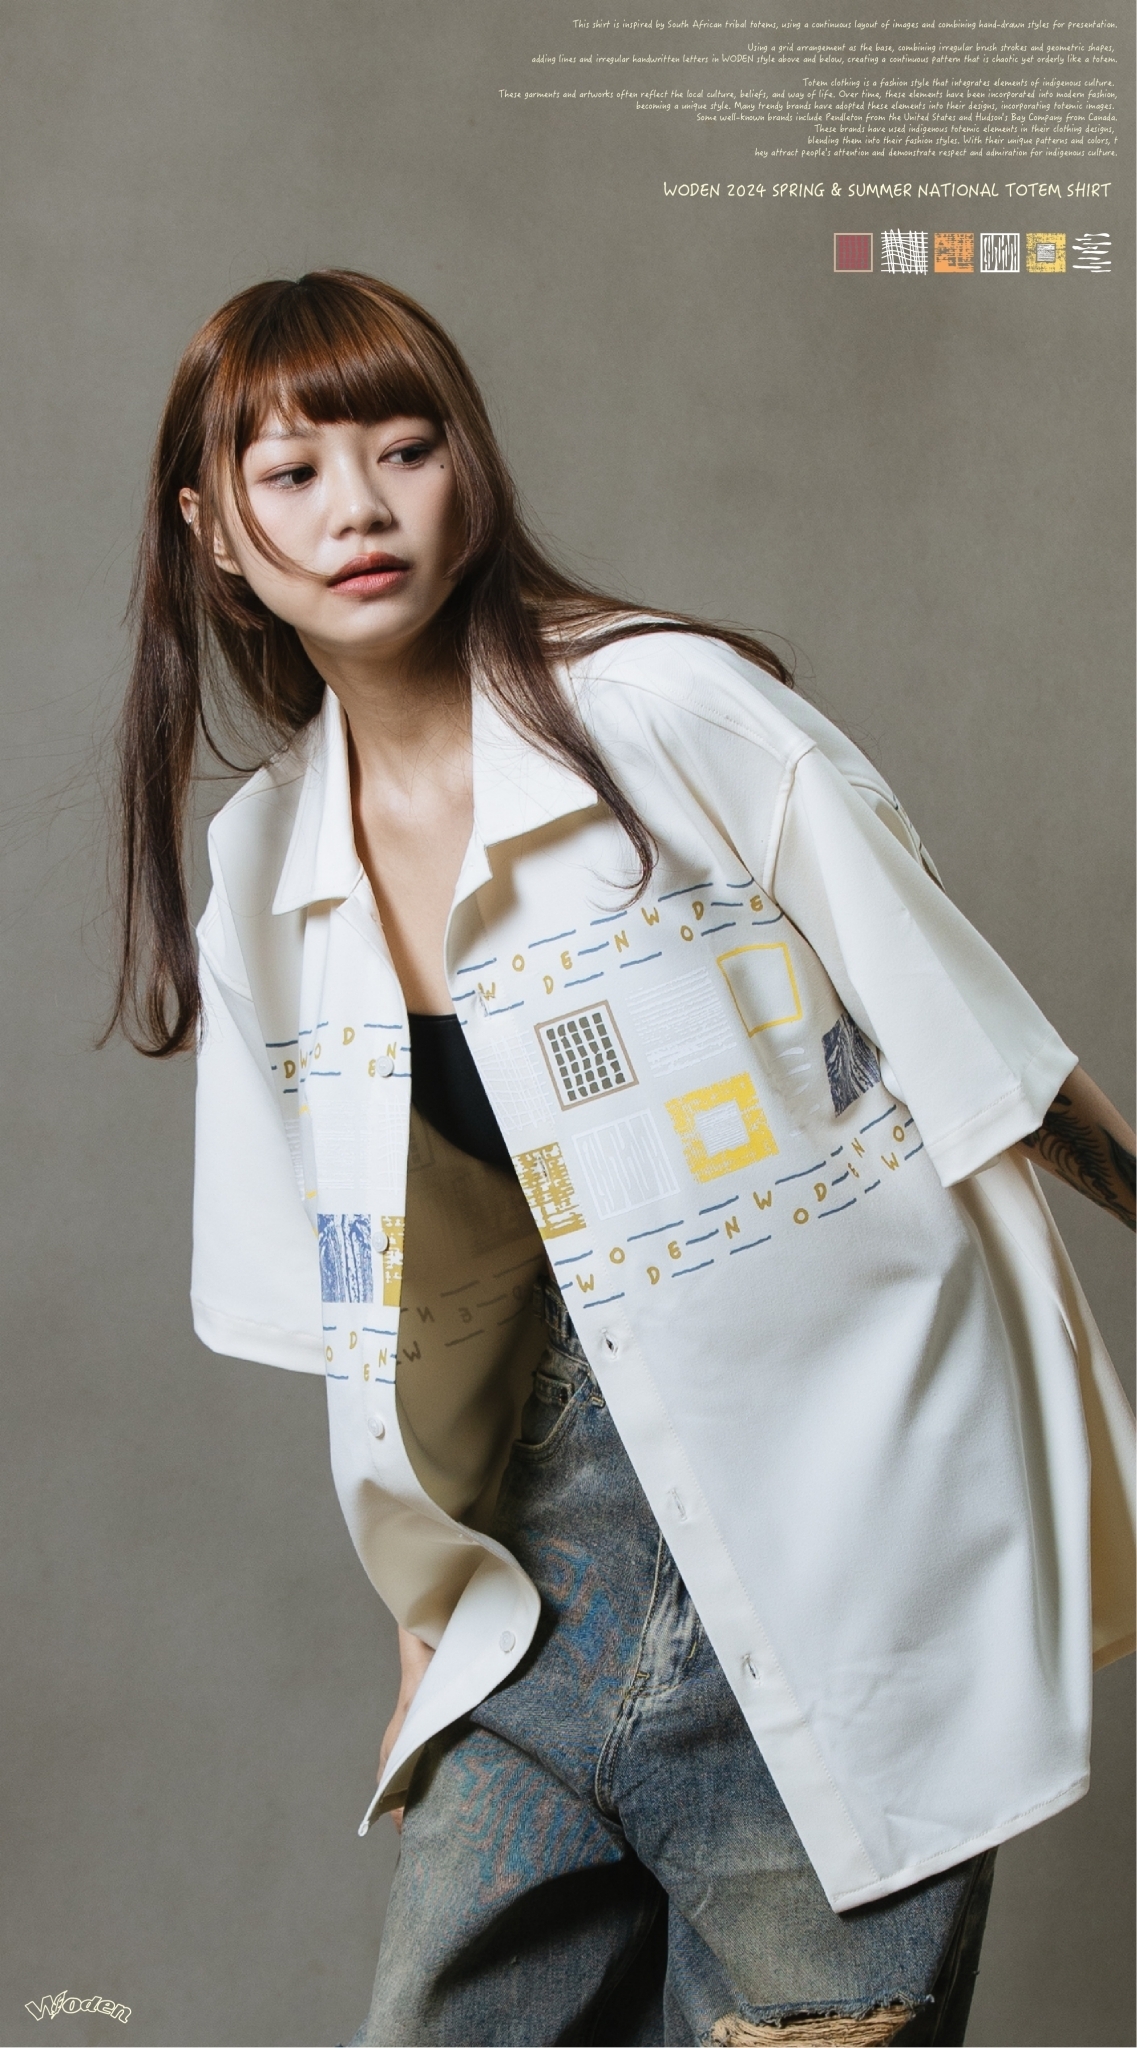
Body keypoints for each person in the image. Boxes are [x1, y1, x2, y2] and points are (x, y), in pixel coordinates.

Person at [108, 270, 1135, 2048]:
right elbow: (392, 1317)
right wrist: (424, 1640)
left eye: (405, 449)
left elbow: (985, 1051)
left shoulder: (668, 706)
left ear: (468, 471)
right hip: (543, 1571)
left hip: (842, 1518)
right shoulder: (266, 870)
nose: (358, 510)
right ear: (210, 532)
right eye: (292, 474)